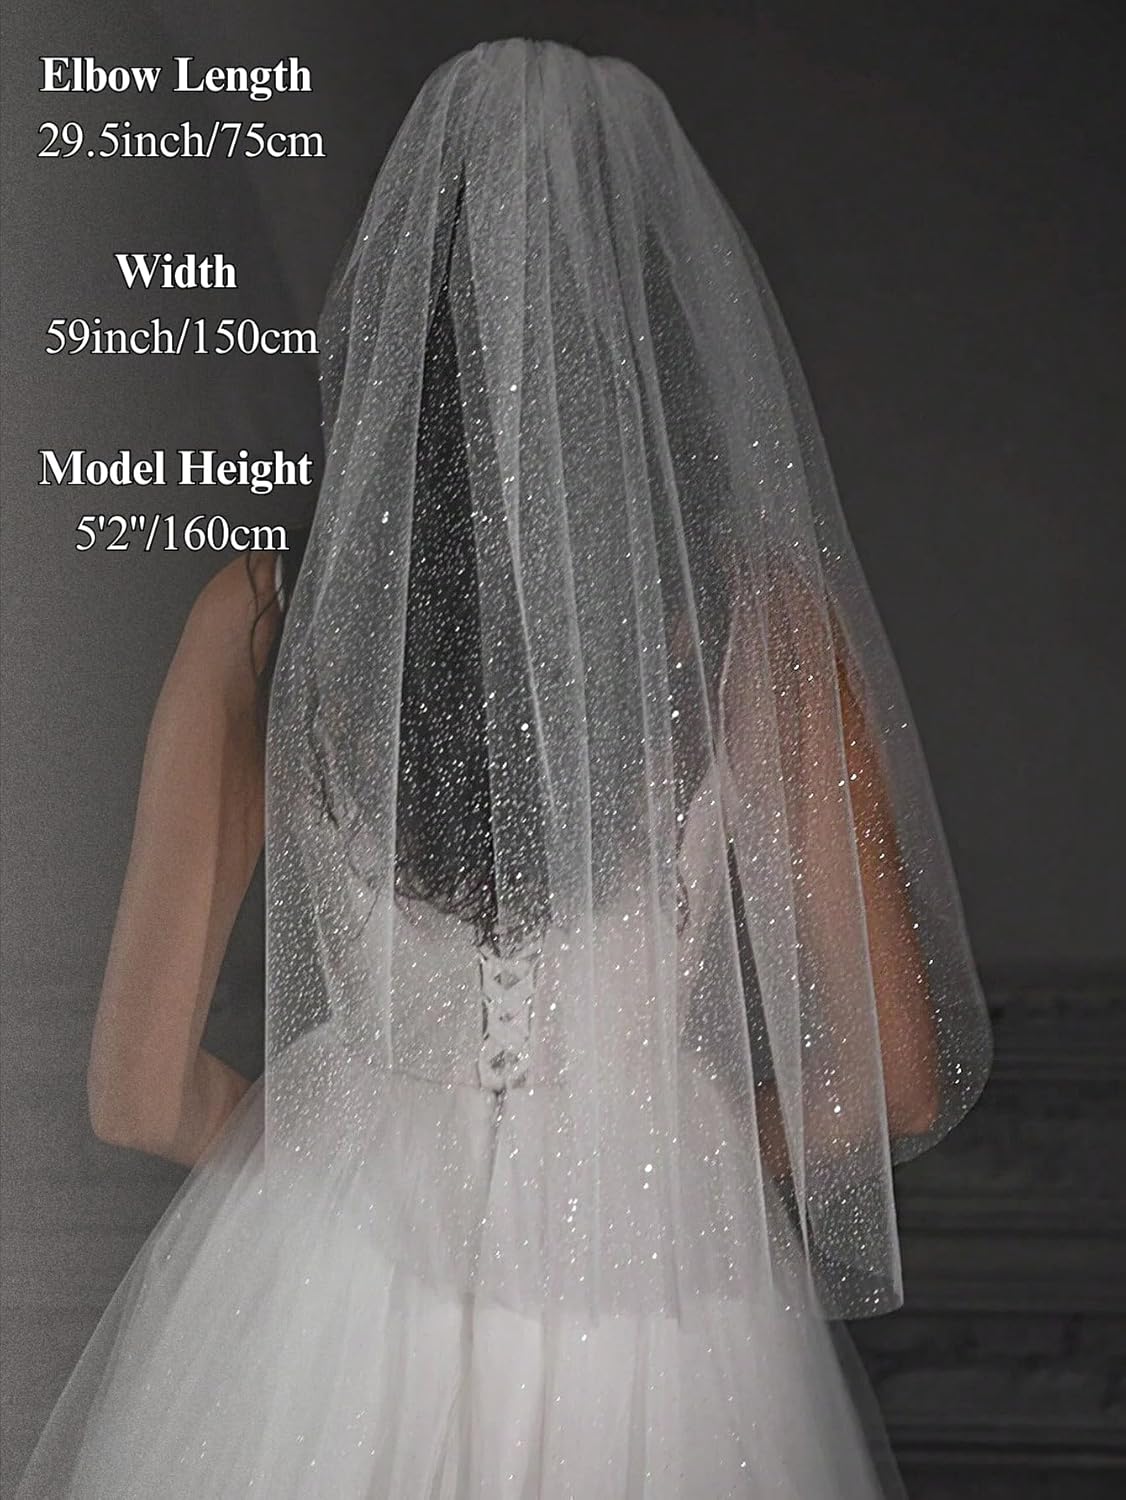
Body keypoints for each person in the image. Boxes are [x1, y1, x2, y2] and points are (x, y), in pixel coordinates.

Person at [18, 39, 991, 1498]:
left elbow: (137, 1095)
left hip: (322, 1299)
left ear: (402, 311)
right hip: (651, 1303)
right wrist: (662, 1158)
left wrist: (343, 1148)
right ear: (663, 330)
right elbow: (898, 1085)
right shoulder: (754, 633)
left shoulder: (264, 615)